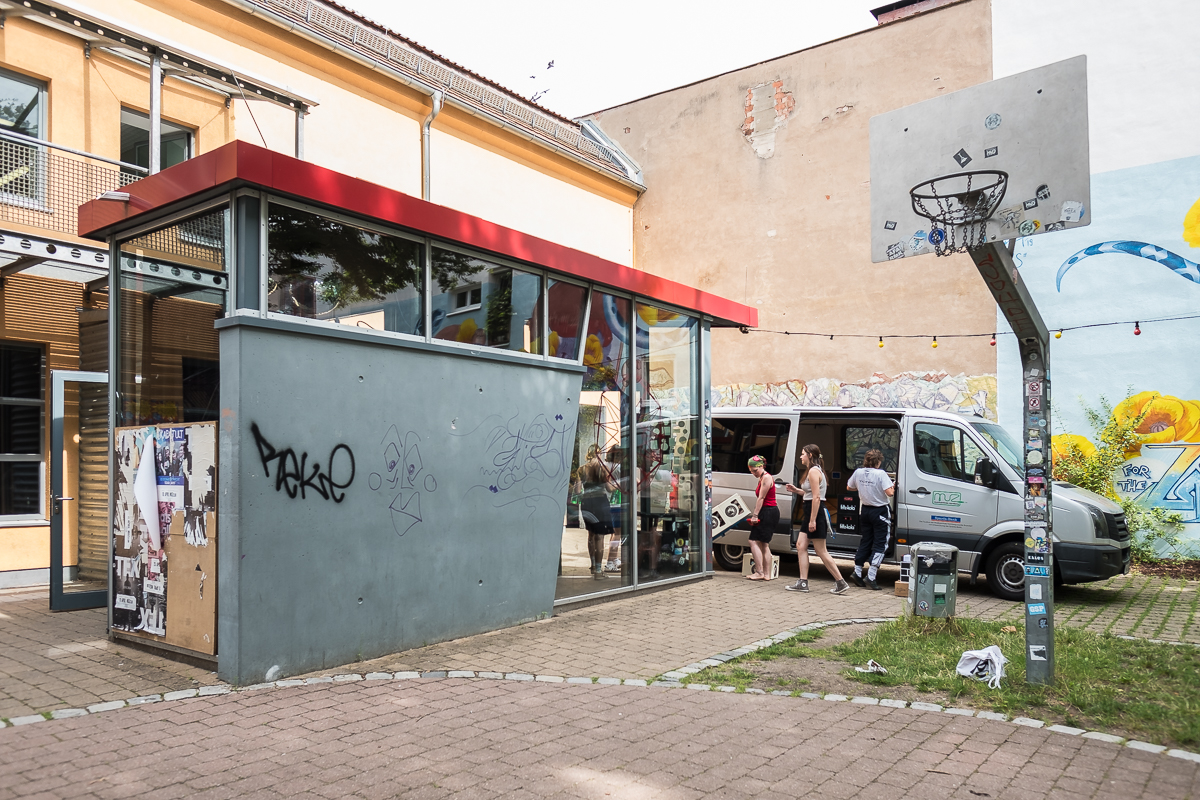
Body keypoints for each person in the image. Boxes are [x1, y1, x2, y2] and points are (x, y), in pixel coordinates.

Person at [783, 444, 850, 594]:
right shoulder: (813, 471)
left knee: (821, 550)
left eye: (802, 454)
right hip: (811, 511)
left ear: (810, 455)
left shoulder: (813, 471)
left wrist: (812, 520)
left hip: (815, 513)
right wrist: (796, 490)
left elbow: (816, 497)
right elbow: (810, 494)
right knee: (801, 545)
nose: (800, 456)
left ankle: (840, 582)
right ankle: (803, 582)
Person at [847, 449, 895, 590]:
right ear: (878, 461)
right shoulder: (881, 474)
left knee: (866, 540)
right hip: (880, 510)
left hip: (865, 510)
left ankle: (857, 572)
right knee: (881, 543)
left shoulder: (858, 472)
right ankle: (871, 576)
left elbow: (849, 487)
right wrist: (892, 484)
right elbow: (890, 493)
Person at [576, 445, 614, 580]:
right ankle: (598, 570)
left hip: (586, 503)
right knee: (600, 537)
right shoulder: (603, 469)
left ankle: (592, 565)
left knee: (590, 535)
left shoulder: (581, 469)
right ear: (598, 454)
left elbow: (577, 491)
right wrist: (616, 486)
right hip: (600, 502)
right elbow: (609, 489)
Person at [745, 455, 779, 581]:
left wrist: (755, 515)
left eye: (755, 470)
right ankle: (766, 574)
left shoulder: (766, 478)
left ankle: (759, 572)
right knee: (764, 544)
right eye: (751, 471)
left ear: (761, 466)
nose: (753, 473)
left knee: (753, 541)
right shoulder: (763, 477)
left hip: (768, 512)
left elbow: (761, 498)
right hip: (769, 511)